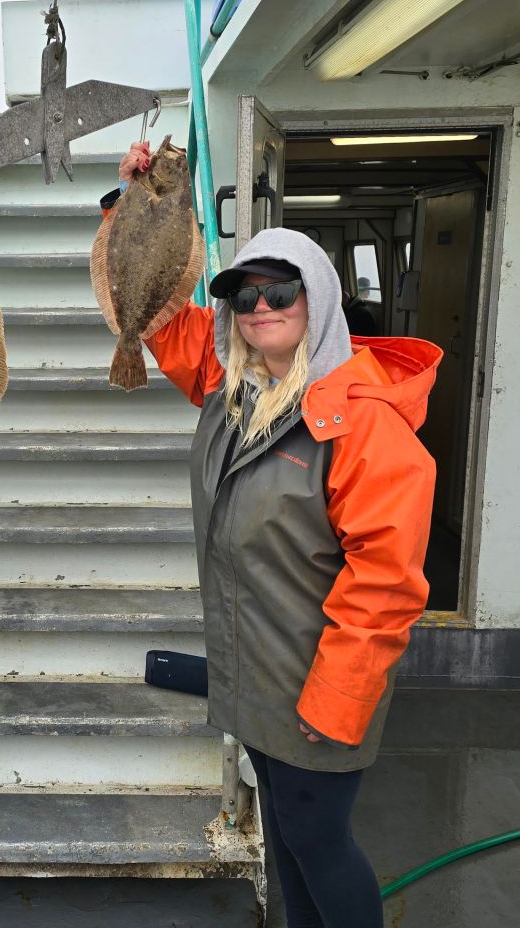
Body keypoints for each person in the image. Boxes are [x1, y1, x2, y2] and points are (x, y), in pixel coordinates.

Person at [114, 144, 441, 928]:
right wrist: (139, 206)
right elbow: (153, 309)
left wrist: (331, 706)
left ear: (317, 300)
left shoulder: (363, 421)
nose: (260, 307)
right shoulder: (238, 387)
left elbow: (386, 584)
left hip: (317, 691)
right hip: (257, 683)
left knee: (319, 841)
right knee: (289, 841)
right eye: (244, 295)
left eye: (280, 292)